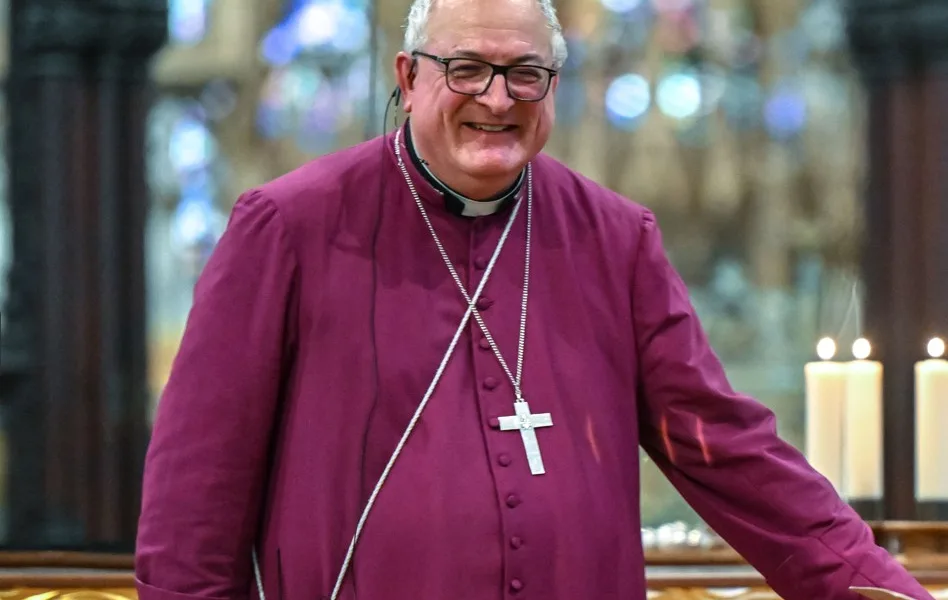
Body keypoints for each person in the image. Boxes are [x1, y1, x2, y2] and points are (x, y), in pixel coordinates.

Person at [133, 0, 934, 599]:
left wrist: (878, 585)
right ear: (409, 77)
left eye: (526, 74)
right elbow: (192, 511)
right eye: (468, 69)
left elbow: (722, 444)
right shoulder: (288, 227)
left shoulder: (615, 238)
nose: (498, 98)